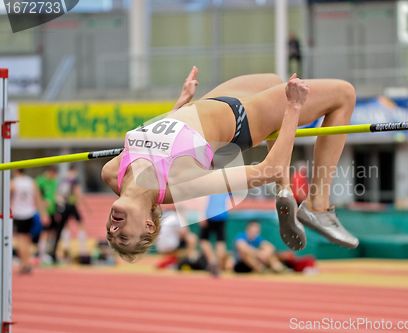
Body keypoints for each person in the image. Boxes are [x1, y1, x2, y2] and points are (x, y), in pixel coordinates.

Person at [101, 66, 359, 262]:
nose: (114, 228)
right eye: (123, 235)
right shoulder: (175, 186)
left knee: (272, 80)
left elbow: (157, 140)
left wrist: (180, 103)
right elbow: (268, 169)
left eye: (111, 233)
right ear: (148, 224)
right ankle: (318, 205)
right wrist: (292, 106)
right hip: (244, 119)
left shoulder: (112, 173)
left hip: (208, 102)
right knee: (344, 94)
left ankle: (284, 191)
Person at [11, 169, 48, 274]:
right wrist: (43, 214)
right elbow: (38, 199)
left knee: (21, 241)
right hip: (30, 214)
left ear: (16, 171)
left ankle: (24, 264)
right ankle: (27, 263)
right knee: (27, 240)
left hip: (19, 214)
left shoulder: (13, 183)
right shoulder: (31, 182)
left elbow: (7, 198)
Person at [51, 165, 88, 263]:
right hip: (71, 205)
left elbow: (57, 193)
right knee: (80, 225)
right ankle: (82, 249)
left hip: (64, 205)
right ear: (74, 171)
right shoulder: (74, 180)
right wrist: (85, 205)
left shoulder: (64, 180)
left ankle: (66, 248)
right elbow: (78, 193)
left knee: (65, 226)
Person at [199, 193, 229, 276]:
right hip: (222, 215)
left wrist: (202, 215)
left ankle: (213, 261)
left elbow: (205, 199)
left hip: (210, 214)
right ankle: (218, 266)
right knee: (220, 240)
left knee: (203, 240)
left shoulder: (210, 183)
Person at [35, 166, 58, 262]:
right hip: (43, 212)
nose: (54, 176)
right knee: (43, 233)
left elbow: (53, 196)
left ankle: (46, 253)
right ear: (49, 172)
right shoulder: (40, 182)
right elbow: (37, 197)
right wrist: (43, 213)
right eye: (52, 174)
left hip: (52, 211)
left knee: (51, 233)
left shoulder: (54, 182)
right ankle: (41, 254)